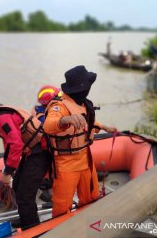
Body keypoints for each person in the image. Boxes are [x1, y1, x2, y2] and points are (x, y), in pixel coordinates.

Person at [43, 65, 117, 217]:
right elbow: (48, 126)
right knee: (62, 206)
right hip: (66, 164)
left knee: (91, 197)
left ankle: (89, 225)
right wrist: (65, 120)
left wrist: (104, 127)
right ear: (83, 88)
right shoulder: (59, 106)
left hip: (86, 159)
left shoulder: (83, 103)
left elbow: (88, 124)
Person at [0, 97, 50, 230]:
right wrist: (9, 167)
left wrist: (8, 172)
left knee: (25, 195)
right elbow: (9, 144)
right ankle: (25, 216)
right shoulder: (0, 115)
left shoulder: (1, 118)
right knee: (18, 185)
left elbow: (15, 144)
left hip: (39, 153)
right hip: (30, 152)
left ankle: (32, 227)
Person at [31, 85, 61, 202]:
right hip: (46, 149)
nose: (60, 99)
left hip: (44, 148)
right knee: (50, 169)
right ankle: (46, 187)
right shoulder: (44, 117)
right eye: (58, 97)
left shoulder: (39, 111)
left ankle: (47, 184)